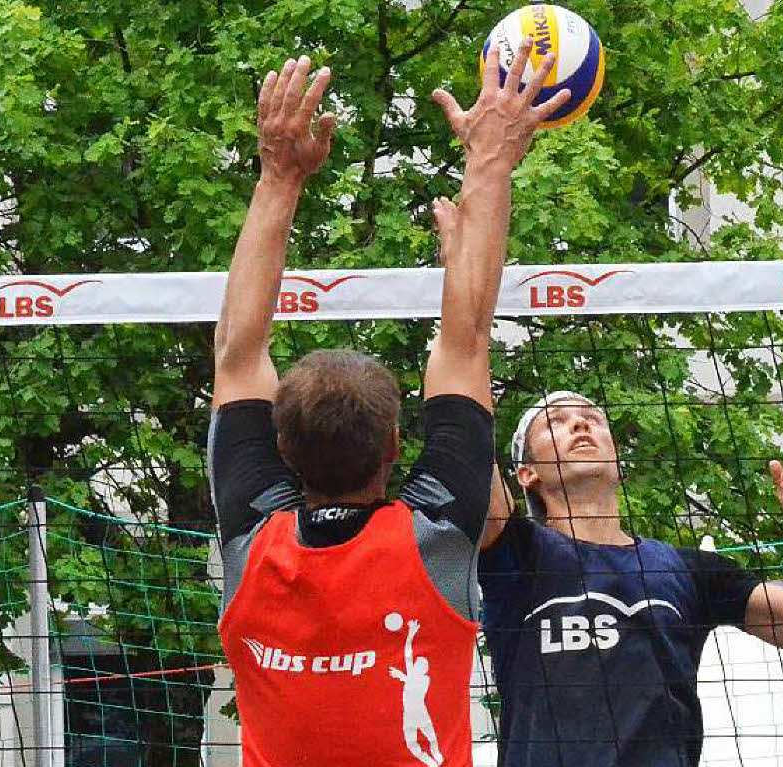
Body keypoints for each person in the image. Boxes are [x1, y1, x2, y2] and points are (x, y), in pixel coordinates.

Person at [208, 45, 570, 766]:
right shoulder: (432, 542)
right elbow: (464, 342)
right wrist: (490, 163)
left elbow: (235, 354)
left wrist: (279, 174)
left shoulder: (255, 548)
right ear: (395, 445)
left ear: (282, 448)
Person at [479, 392, 783, 767]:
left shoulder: (689, 571)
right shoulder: (515, 553)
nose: (580, 424)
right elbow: (465, 420)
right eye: (555, 423)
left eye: (594, 419)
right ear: (526, 474)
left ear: (619, 463)